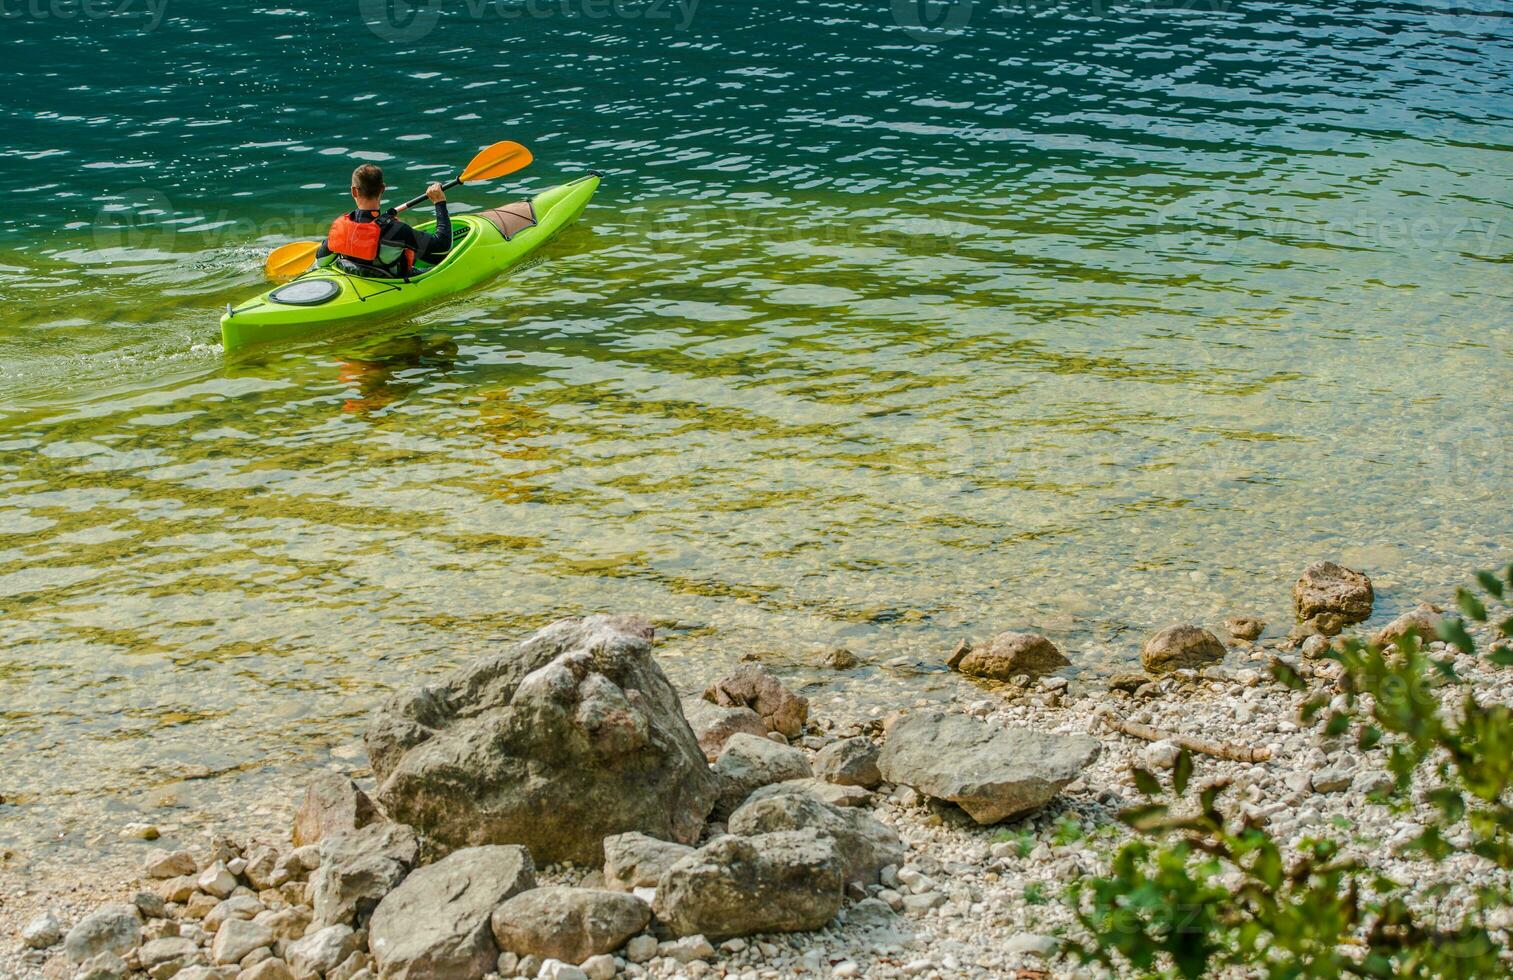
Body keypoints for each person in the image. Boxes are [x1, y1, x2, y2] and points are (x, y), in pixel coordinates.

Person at [317, 164, 452, 278]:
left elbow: (321, 262)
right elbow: (443, 245)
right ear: (383, 189)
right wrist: (439, 202)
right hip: (392, 282)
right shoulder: (397, 230)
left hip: (356, 279)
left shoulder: (340, 227)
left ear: (353, 192)